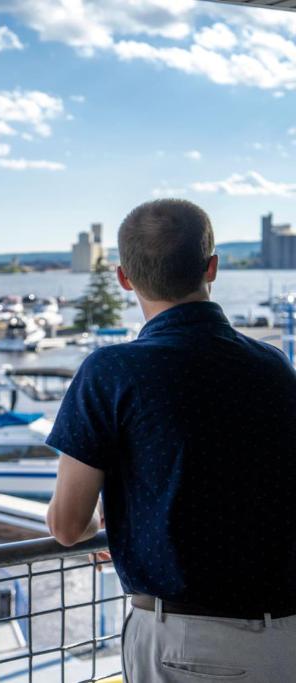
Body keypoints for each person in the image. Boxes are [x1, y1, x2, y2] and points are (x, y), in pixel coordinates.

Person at [45, 199, 296, 682]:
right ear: (212, 268)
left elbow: (66, 525)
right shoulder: (273, 366)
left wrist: (119, 528)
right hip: (284, 633)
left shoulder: (112, 371)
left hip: (187, 642)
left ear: (123, 278)